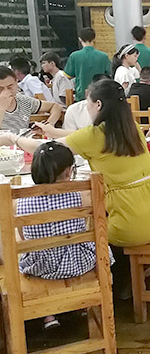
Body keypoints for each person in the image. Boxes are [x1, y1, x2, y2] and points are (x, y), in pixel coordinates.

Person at [2, 78, 150, 248]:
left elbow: (43, 149)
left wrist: (12, 138)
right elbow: (81, 136)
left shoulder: (93, 136)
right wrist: (53, 131)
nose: (86, 107)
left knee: (83, 231)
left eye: (88, 103)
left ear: (98, 104)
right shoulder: (130, 127)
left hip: (131, 224)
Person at [16, 141, 114, 330]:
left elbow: (23, 235)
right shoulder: (81, 195)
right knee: (102, 248)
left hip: (40, 267)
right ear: (69, 172)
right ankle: (83, 303)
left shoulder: (20, 201)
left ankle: (48, 315)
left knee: (26, 253)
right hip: (78, 263)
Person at [0, 66, 61, 133]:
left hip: (23, 138)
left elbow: (55, 106)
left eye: (10, 87)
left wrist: (50, 124)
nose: (6, 92)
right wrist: (2, 108)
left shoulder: (23, 100)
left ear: (16, 83)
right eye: (0, 89)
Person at [63, 27, 111, 102]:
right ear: (94, 38)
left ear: (80, 39)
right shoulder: (103, 56)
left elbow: (68, 75)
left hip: (81, 94)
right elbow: (109, 74)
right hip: (99, 93)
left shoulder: (74, 56)